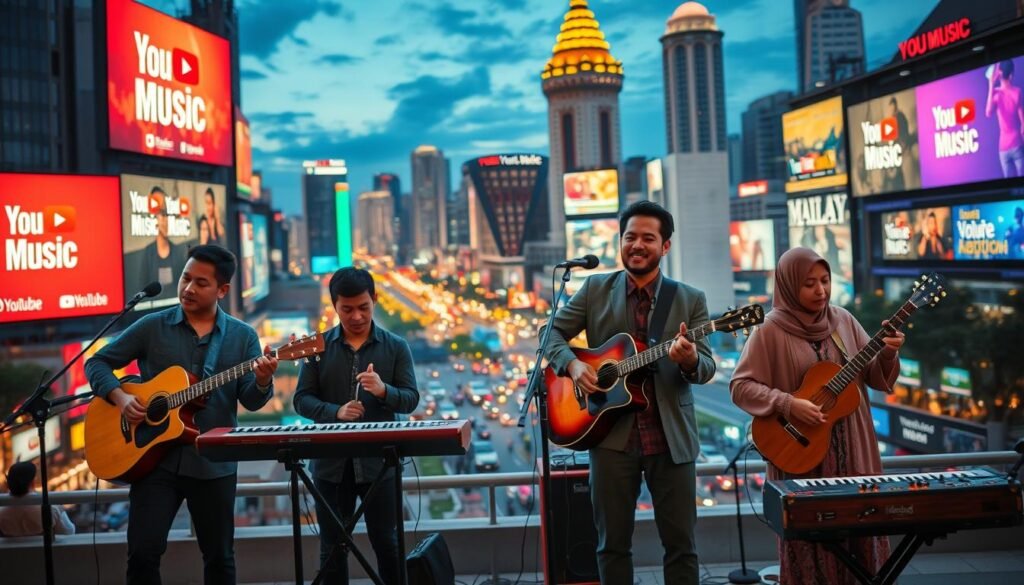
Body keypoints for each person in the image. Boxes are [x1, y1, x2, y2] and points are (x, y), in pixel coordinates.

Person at [544, 200, 716, 585]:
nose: (637, 245)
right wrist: (572, 365)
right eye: (630, 237)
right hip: (609, 437)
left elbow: (706, 368)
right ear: (620, 241)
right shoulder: (594, 289)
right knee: (611, 547)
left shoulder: (690, 299)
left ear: (665, 246)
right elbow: (549, 332)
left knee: (682, 547)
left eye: (648, 238)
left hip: (671, 439)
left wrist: (689, 360)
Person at [85, 244, 279, 584]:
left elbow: (250, 400)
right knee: (142, 555)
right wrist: (121, 398)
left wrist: (263, 380)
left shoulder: (242, 336)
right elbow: (97, 362)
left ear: (222, 290)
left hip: (213, 465)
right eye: (185, 278)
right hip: (152, 460)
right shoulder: (152, 326)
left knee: (220, 558)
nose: (188, 288)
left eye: (201, 283)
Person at [730, 247, 904, 585]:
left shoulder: (843, 321)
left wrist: (888, 354)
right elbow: (741, 387)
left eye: (825, 281)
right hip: (801, 457)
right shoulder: (769, 331)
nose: (821, 290)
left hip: (853, 452)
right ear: (788, 285)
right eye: (809, 283)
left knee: (862, 540)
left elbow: (875, 376)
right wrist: (787, 404)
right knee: (812, 549)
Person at [293, 266, 418, 585]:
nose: (357, 316)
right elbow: (301, 399)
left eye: (363, 307)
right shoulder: (315, 347)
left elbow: (410, 399)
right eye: (347, 309)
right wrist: (335, 412)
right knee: (332, 548)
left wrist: (384, 391)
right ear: (334, 305)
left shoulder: (396, 346)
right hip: (330, 465)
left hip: (381, 463)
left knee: (387, 543)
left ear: (374, 299)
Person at [0, 462, 76, 537]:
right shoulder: (51, 509)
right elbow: (69, 531)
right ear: (32, 482)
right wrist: (61, 510)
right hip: (43, 545)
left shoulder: (2, 512)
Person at [141, 186, 187, 302]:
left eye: (166, 213)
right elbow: (142, 294)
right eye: (161, 213)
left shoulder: (178, 252)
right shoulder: (148, 253)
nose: (165, 220)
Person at [985, 60, 1024, 178]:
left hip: (1003, 148)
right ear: (1011, 75)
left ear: (999, 74)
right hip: (1017, 144)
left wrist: (991, 85)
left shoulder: (996, 93)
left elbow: (988, 112)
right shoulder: (1017, 92)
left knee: (1009, 185)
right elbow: (1023, 124)